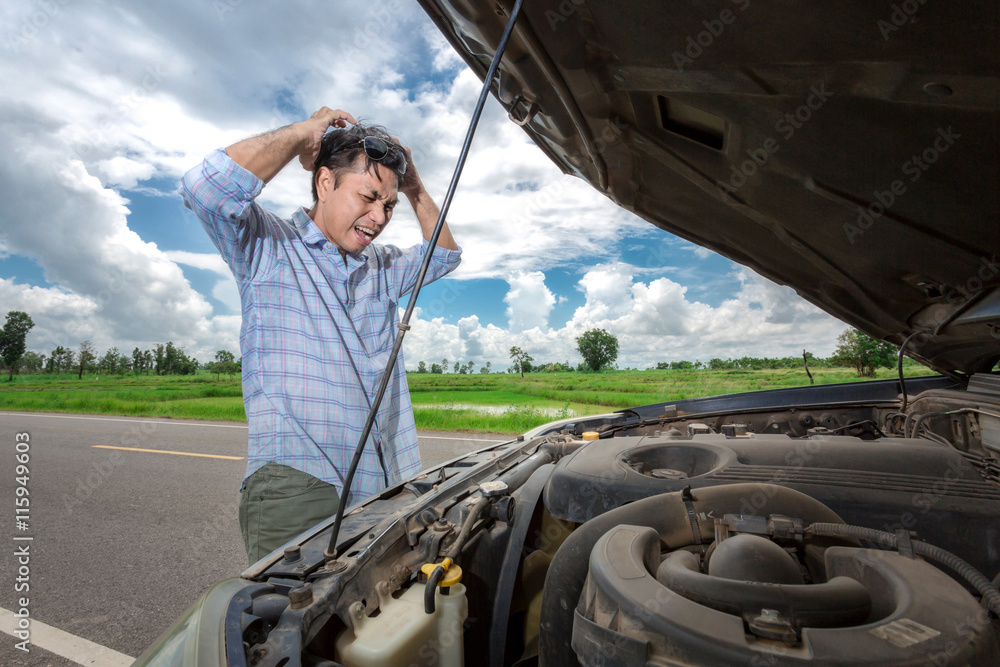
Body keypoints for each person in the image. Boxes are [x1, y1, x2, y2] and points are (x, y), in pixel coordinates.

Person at [181, 107, 461, 563]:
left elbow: (445, 255)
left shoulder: (382, 267)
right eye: (368, 196)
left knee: (379, 626)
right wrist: (299, 135)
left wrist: (413, 189)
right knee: (300, 629)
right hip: (303, 484)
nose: (379, 216)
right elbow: (205, 188)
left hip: (386, 486)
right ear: (325, 183)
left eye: (387, 206)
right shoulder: (269, 246)